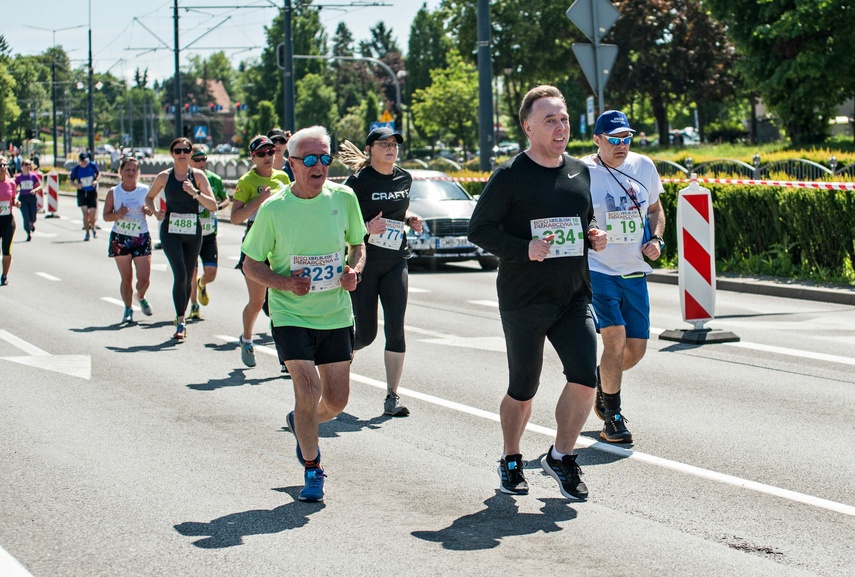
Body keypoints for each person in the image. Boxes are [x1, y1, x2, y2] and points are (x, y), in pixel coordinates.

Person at [468, 85, 607, 501]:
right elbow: (479, 230)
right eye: (550, 120)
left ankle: (561, 456)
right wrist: (523, 248)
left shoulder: (580, 171)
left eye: (563, 119)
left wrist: (592, 235)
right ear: (528, 127)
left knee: (585, 378)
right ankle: (511, 457)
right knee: (523, 387)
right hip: (524, 298)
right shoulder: (510, 175)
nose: (560, 126)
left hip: (573, 295)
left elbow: (584, 219)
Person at [241, 125, 366, 503]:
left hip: (336, 313)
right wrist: (284, 283)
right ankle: (313, 469)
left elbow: (358, 246)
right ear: (291, 163)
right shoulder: (274, 209)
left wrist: (354, 271)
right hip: (291, 314)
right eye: (310, 159)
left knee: (337, 401)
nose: (319, 166)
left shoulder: (344, 198)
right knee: (308, 390)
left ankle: (301, 422)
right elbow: (250, 265)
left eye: (325, 158)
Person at [582, 110, 666, 444]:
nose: (622, 145)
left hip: (634, 271)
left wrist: (656, 238)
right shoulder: (583, 171)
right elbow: (575, 215)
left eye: (627, 138)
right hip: (599, 268)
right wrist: (591, 232)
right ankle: (613, 418)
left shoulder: (644, 166)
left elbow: (656, 209)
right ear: (597, 139)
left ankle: (602, 381)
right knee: (614, 340)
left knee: (636, 349)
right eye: (614, 139)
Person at [339, 127, 424, 416]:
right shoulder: (357, 182)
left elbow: (396, 211)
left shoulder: (405, 177)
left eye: (394, 144)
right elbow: (342, 224)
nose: (391, 148)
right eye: (384, 144)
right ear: (370, 149)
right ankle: (334, 364)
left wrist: (410, 218)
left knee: (396, 327)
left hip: (395, 260)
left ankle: (392, 397)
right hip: (365, 263)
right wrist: (365, 228)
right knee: (365, 334)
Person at [145, 137, 219, 340]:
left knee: (187, 276)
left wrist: (194, 193)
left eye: (186, 150)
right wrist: (155, 212)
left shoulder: (198, 176)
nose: (182, 154)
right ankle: (180, 320)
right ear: (172, 154)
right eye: (178, 151)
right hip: (171, 231)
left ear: (190, 153)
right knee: (180, 274)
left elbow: (213, 205)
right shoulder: (164, 177)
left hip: (193, 231)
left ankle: (182, 315)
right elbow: (149, 197)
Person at [230, 135, 291, 367]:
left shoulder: (283, 177)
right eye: (262, 153)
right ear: (252, 157)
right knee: (257, 302)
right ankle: (246, 338)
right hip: (256, 243)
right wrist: (259, 200)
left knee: (281, 301)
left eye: (271, 152)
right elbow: (235, 218)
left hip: (281, 242)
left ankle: (286, 357)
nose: (268, 157)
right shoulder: (246, 181)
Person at [102, 156, 155, 324]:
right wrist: (118, 214)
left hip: (141, 237)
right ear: (121, 172)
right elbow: (106, 216)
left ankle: (140, 296)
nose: (130, 173)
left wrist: (148, 210)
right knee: (127, 278)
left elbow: (153, 210)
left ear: (138, 173)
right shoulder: (114, 192)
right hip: (121, 238)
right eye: (127, 170)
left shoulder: (144, 190)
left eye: (134, 170)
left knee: (144, 278)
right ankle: (128, 308)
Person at [187, 145, 230, 321]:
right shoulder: (185, 180)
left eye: (204, 159)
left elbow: (226, 198)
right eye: (197, 159)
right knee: (191, 272)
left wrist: (218, 206)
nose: (201, 162)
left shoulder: (214, 179)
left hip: (209, 232)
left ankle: (202, 283)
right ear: (189, 161)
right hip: (189, 233)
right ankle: (194, 305)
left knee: (210, 273)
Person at [70, 152, 100, 241]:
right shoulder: (76, 169)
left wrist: (96, 181)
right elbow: (71, 180)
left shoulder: (92, 165)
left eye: (86, 161)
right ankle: (87, 233)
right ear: (79, 161)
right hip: (82, 192)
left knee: (93, 213)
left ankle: (93, 226)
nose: (84, 163)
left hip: (91, 192)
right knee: (85, 213)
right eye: (83, 161)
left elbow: (98, 174)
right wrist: (76, 185)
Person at [0, 158, 20, 286]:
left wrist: (16, 203)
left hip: (7, 220)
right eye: (0, 165)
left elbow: (12, 199)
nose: (3, 167)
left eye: (5, 164)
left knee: (6, 249)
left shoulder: (11, 183)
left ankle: (4, 275)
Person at [14, 159, 42, 241]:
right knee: (25, 216)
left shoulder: (33, 176)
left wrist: (35, 190)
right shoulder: (19, 177)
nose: (28, 166)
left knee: (33, 217)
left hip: (31, 198)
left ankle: (32, 224)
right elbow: (15, 187)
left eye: (29, 164)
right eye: (26, 164)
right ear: (22, 166)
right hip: (23, 198)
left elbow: (39, 186)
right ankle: (28, 233)